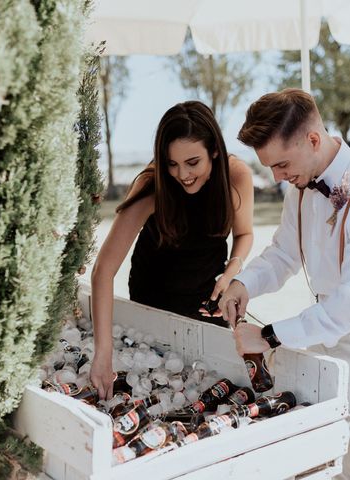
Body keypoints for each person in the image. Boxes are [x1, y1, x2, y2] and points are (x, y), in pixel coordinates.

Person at [219, 89, 350, 480]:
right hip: (325, 332)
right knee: (331, 451)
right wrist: (244, 283)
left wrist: (270, 335)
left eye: (281, 164)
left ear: (312, 139)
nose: (277, 177)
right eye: (270, 167)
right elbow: (283, 254)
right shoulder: (300, 186)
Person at [90, 101, 254, 399]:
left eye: (193, 162)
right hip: (153, 298)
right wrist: (103, 353)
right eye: (172, 163)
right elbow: (103, 271)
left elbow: (244, 234)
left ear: (214, 151)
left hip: (209, 296)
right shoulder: (152, 185)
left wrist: (231, 272)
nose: (183, 175)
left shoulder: (237, 176)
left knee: (206, 382)